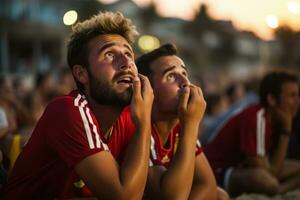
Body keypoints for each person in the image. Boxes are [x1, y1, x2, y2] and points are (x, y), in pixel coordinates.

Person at [1, 11, 154, 199]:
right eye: (109, 55)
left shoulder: (126, 118)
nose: (126, 63)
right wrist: (145, 121)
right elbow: (125, 196)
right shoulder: (68, 110)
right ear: (81, 74)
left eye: (128, 54)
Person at [136, 43, 229, 200]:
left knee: (221, 195)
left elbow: (208, 184)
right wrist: (191, 125)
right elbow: (171, 197)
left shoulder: (181, 125)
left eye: (184, 73)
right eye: (171, 76)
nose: (185, 82)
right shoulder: (140, 124)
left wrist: (189, 125)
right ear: (148, 90)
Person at [204, 70, 300, 197]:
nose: (297, 101)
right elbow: (264, 171)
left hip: (243, 169)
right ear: (271, 99)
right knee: (264, 180)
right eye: (292, 96)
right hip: (217, 171)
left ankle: (279, 190)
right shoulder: (256, 116)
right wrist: (285, 132)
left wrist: (284, 132)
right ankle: (277, 190)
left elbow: (274, 165)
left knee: (271, 180)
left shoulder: (277, 122)